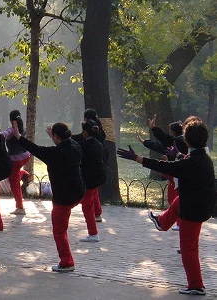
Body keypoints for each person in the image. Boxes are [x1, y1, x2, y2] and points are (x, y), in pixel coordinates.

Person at [117, 118, 216, 296]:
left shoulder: (191, 162)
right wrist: (177, 155)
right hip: (200, 205)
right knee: (178, 202)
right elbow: (185, 163)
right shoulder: (203, 158)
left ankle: (196, 285)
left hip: (193, 211)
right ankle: (162, 222)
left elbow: (164, 166)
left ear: (187, 140)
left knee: (188, 249)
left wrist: (137, 158)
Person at [12, 121, 85, 272]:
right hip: (78, 192)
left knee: (59, 231)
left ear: (57, 137)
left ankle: (67, 262)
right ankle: (66, 260)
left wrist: (18, 136)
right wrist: (55, 137)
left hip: (63, 198)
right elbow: (65, 142)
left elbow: (35, 149)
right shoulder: (76, 146)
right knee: (62, 226)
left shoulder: (54, 153)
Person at [72, 108, 107, 222]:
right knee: (94, 192)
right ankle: (97, 213)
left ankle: (95, 216)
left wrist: (67, 137)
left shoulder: (89, 134)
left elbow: (79, 140)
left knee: (89, 196)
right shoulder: (98, 129)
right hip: (99, 167)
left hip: (91, 169)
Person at [75, 120, 106, 242]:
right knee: (90, 202)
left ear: (85, 132)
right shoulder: (98, 143)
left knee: (87, 206)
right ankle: (96, 220)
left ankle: (93, 233)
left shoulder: (84, 145)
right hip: (98, 178)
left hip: (90, 180)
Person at [1, 110, 31, 215]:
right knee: (14, 173)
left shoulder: (11, 130)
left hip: (16, 159)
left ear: (10, 119)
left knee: (14, 182)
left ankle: (20, 208)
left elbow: (3, 135)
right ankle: (23, 174)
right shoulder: (23, 129)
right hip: (26, 156)